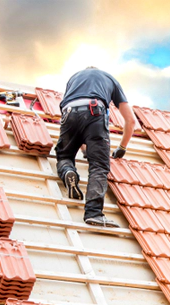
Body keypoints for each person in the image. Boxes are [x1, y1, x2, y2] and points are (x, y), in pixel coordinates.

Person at [55, 67, 136, 227]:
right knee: (99, 166)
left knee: (64, 155)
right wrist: (122, 147)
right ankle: (94, 213)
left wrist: (85, 150)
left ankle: (67, 172)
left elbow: (77, 125)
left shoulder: (73, 78)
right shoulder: (110, 79)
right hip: (94, 111)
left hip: (68, 113)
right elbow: (130, 120)